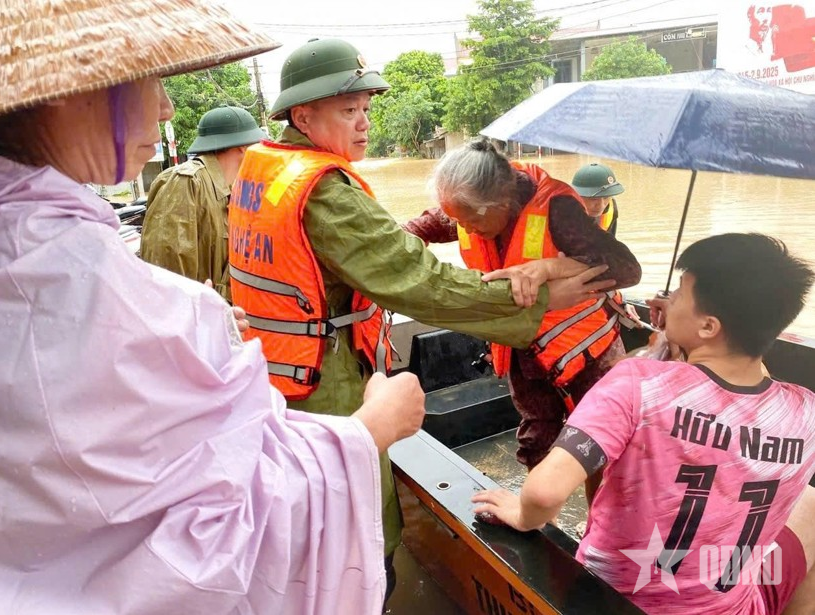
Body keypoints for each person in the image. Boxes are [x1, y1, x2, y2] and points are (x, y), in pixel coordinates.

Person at [0, 2, 427, 613]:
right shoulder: (75, 271)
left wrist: (186, 325)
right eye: (150, 81)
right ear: (71, 91)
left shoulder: (36, 249)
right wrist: (368, 431)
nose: (168, 107)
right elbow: (203, 548)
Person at [229, 37, 616, 600]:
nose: (363, 124)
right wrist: (535, 304)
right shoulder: (324, 192)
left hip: (276, 375)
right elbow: (419, 279)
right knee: (358, 514)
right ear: (302, 113)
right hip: (324, 380)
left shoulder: (264, 167)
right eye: (348, 111)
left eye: (365, 109)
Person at [472, 233, 815, 615]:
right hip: (728, 605)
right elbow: (740, 394)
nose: (667, 301)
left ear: (708, 326)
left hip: (617, 599)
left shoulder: (637, 382)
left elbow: (543, 494)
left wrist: (522, 514)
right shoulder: (805, 411)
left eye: (679, 294)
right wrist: (682, 336)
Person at [406, 139, 641, 486]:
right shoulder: (469, 204)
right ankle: (537, 519)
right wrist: (392, 242)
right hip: (525, 352)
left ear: (501, 201)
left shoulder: (559, 210)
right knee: (536, 440)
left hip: (584, 350)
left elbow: (627, 269)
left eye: (471, 221)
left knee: (596, 442)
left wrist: (549, 268)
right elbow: (422, 227)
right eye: (459, 221)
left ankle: (599, 528)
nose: (465, 230)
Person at [141, 106, 266, 302]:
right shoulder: (185, 182)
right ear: (243, 147)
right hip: (194, 322)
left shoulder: (236, 189)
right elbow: (166, 270)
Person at [571, 162, 624, 237]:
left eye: (606, 197)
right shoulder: (559, 215)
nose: (601, 206)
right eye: (594, 199)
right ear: (577, 197)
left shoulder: (611, 207)